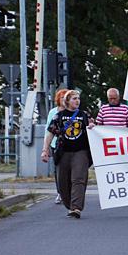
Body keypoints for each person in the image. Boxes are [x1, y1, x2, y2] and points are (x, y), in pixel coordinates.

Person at [41, 90, 94, 218]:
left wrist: (92, 126)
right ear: (67, 101)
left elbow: (92, 128)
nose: (77, 101)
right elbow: (50, 133)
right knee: (62, 182)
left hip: (80, 151)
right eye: (74, 99)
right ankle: (69, 204)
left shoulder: (83, 115)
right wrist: (45, 150)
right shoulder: (59, 116)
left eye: (78, 98)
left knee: (78, 179)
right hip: (63, 152)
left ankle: (76, 208)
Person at [46, 88, 69, 204]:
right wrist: (46, 147)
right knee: (58, 169)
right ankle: (60, 192)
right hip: (57, 144)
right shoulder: (53, 112)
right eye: (62, 97)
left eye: (66, 97)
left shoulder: (74, 112)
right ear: (58, 100)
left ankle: (69, 191)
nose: (64, 99)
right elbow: (48, 130)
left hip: (71, 144)